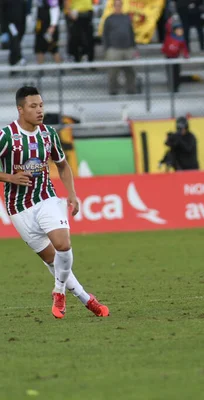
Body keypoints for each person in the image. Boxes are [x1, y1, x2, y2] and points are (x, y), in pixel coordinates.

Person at [0, 86, 110, 319]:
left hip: (46, 197)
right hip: (19, 208)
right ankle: (86, 299)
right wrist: (9, 177)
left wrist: (71, 193)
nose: (39, 110)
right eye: (33, 106)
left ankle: (58, 291)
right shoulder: (7, 136)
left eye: (41, 105)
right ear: (21, 109)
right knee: (52, 261)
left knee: (63, 244)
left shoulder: (49, 134)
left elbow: (62, 165)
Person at [34, 0, 62, 66]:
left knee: (53, 48)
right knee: (39, 49)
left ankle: (60, 69)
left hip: (49, 27)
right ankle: (40, 70)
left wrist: (53, 26)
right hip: (40, 27)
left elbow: (55, 9)